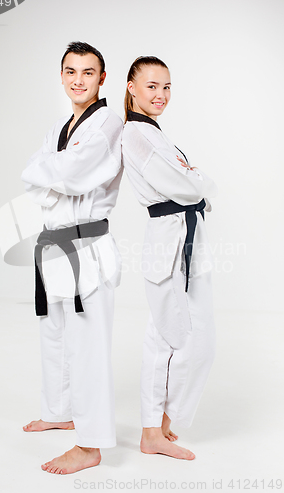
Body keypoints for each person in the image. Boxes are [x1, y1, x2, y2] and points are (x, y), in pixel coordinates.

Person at [21, 41, 123, 474]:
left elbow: (66, 173)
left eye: (87, 72)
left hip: (87, 247)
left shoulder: (107, 123)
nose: (78, 80)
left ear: (102, 78)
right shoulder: (62, 126)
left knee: (87, 346)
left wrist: (55, 173)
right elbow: (36, 172)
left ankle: (91, 444)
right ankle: (59, 410)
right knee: (55, 335)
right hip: (54, 244)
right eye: (70, 72)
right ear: (62, 76)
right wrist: (55, 174)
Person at [122, 56, 218, 460]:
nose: (160, 95)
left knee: (197, 339)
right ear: (131, 88)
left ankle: (162, 422)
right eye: (151, 86)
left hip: (187, 240)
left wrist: (194, 183)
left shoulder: (158, 134)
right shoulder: (137, 135)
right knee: (167, 339)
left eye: (166, 87)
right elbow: (188, 184)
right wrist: (195, 181)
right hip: (167, 243)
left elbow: (193, 185)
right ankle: (151, 431)